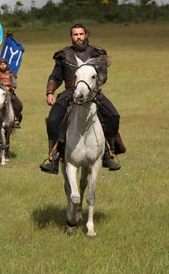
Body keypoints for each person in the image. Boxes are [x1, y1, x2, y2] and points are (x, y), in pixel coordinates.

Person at [40, 23, 123, 175]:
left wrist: (92, 89)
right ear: (71, 36)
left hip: (93, 92)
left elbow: (103, 75)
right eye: (75, 34)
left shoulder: (97, 53)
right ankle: (54, 157)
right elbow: (56, 76)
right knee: (53, 120)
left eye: (81, 34)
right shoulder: (64, 55)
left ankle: (108, 154)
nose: (78, 37)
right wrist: (50, 92)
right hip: (70, 92)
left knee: (113, 116)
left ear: (86, 35)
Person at [0, 58, 23, 128]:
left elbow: (14, 84)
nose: (3, 66)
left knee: (19, 105)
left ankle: (15, 120)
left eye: (4, 64)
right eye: (1, 65)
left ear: (6, 65)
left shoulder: (10, 74)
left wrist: (10, 88)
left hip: (9, 92)